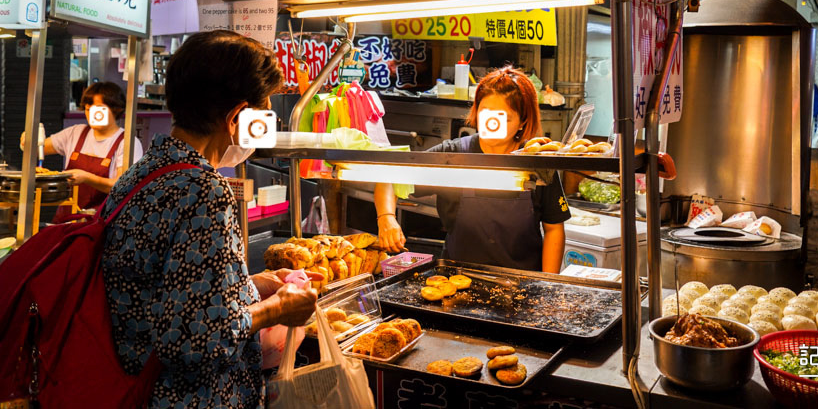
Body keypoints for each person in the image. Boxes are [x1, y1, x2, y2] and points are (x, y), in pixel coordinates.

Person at [101, 30, 321, 407]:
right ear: (236, 117)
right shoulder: (202, 190)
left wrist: (251, 286)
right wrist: (278, 309)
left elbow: (172, 293)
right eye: (261, 113)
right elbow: (194, 340)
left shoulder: (143, 173)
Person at [374, 66, 570, 273]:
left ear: (523, 121)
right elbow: (391, 177)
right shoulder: (454, 155)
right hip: (457, 280)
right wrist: (386, 217)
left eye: (503, 117)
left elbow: (554, 228)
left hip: (523, 283)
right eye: (485, 114)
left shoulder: (537, 162)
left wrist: (548, 284)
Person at [41, 81, 143, 222]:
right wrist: (28, 141)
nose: (91, 114)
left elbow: (123, 186)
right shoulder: (76, 133)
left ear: (116, 109)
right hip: (66, 221)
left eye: (98, 109)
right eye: (88, 109)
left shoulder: (127, 143)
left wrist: (87, 178)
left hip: (102, 224)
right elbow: (38, 149)